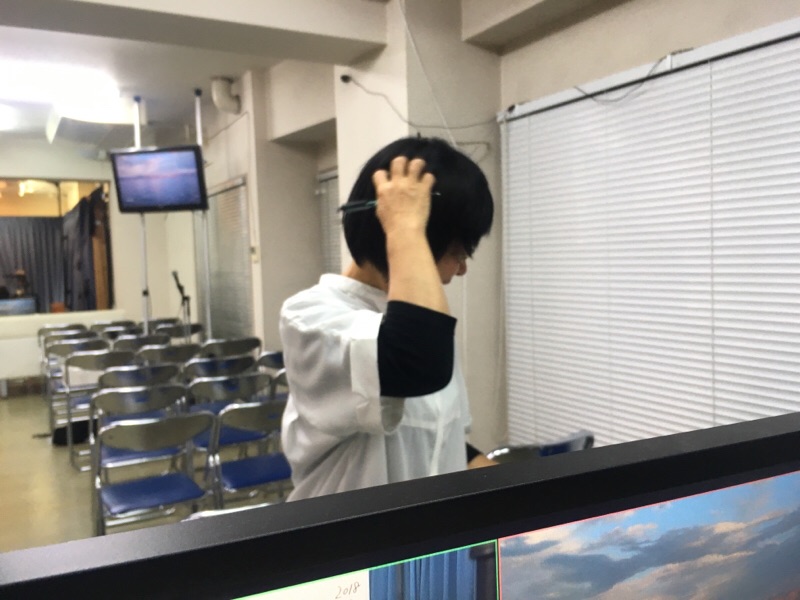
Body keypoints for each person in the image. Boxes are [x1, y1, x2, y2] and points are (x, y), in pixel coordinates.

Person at [280, 136, 495, 501]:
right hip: (349, 534)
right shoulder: (310, 318)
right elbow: (413, 362)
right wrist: (405, 227)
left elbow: (436, 435)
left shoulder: (428, 322)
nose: (461, 269)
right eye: (457, 253)